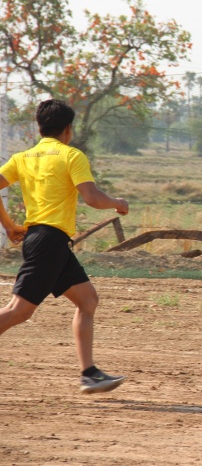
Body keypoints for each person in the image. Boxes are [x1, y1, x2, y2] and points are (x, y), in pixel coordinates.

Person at [0, 99, 129, 394]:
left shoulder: (23, 157)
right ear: (68, 129)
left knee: (87, 300)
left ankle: (90, 374)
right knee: (18, 311)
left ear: (39, 127)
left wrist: (8, 225)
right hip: (49, 243)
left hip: (47, 241)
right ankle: (89, 374)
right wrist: (118, 203)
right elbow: (92, 198)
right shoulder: (71, 155)